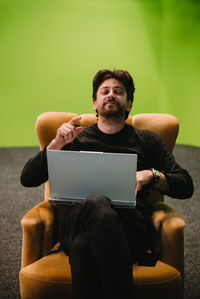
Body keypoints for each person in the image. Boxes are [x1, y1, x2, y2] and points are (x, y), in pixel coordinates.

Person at [20, 69, 194, 299]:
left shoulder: (147, 140)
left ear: (129, 103)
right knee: (97, 203)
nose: (111, 95)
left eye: (118, 92)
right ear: (95, 103)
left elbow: (186, 185)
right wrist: (56, 143)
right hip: (76, 223)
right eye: (105, 91)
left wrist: (153, 175)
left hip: (129, 230)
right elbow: (27, 178)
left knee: (83, 247)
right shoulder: (76, 138)